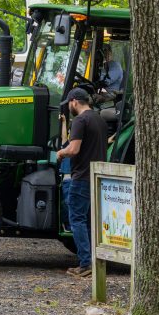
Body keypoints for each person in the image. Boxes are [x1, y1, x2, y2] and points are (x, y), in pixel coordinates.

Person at [56, 88, 108, 278]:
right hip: (96, 177)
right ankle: (92, 261)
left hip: (81, 178)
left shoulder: (80, 120)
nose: (69, 107)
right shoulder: (99, 120)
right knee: (88, 221)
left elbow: (74, 149)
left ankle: (85, 263)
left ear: (74, 102)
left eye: (69, 103)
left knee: (76, 219)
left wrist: (61, 153)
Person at [95, 44, 124, 123]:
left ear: (111, 53)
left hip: (111, 97)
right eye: (103, 52)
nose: (105, 55)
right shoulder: (104, 65)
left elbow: (105, 81)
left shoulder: (115, 66)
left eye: (107, 52)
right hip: (103, 95)